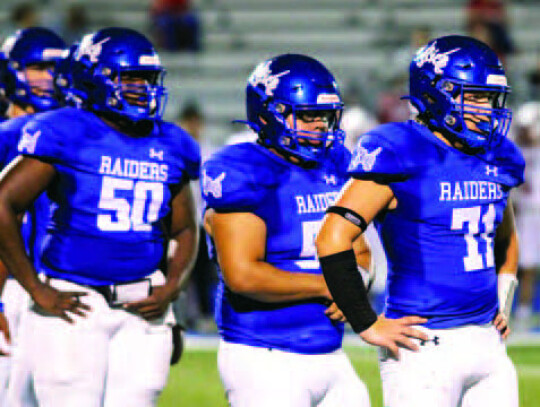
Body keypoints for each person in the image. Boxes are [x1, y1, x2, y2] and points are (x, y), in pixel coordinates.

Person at [316, 35, 524, 407]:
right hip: (424, 345)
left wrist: (503, 300)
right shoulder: (398, 148)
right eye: (473, 96)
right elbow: (332, 237)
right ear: (436, 94)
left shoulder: (498, 155)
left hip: (488, 344)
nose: (487, 109)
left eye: (490, 98)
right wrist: (365, 322)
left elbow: (504, 237)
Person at [0, 27, 200, 406]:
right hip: (75, 300)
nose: (142, 87)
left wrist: (173, 286)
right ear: (97, 79)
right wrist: (35, 287)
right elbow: (4, 205)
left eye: (148, 78)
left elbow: (185, 228)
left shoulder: (172, 142)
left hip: (143, 304)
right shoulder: (64, 129)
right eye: (130, 78)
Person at [202, 53, 371, 407]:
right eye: (308, 116)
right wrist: (332, 286)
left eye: (325, 117)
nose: (320, 127)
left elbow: (360, 249)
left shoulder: (338, 161)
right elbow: (243, 275)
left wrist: (356, 280)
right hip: (264, 355)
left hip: (330, 352)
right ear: (268, 114)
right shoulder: (242, 168)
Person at [0, 26, 66, 407]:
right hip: (9, 284)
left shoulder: (70, 135)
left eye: (55, 68)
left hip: (50, 284)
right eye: (37, 67)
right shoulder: (11, 134)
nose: (48, 78)